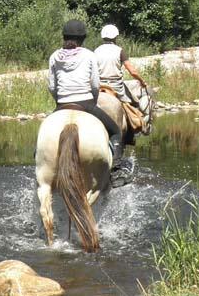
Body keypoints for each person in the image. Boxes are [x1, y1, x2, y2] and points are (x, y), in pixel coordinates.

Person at [47, 19, 134, 187]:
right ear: (83, 38)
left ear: (64, 37)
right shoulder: (88, 55)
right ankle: (116, 171)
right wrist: (93, 101)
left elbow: (51, 86)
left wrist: (60, 101)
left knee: (43, 133)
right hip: (85, 103)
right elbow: (95, 84)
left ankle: (39, 157)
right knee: (115, 131)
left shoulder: (54, 56)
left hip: (61, 105)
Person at [94, 24, 147, 107]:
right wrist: (142, 81)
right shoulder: (119, 51)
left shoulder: (96, 51)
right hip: (116, 87)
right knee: (135, 104)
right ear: (115, 37)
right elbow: (132, 72)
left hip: (99, 87)